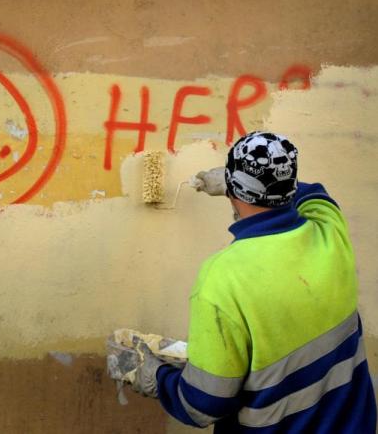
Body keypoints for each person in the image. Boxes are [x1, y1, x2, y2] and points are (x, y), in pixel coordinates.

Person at [108, 131, 376, 433]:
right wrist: (242, 182)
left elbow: (203, 405)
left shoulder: (223, 278)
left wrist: (152, 376)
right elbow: (312, 191)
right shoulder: (329, 228)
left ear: (233, 193)